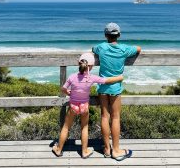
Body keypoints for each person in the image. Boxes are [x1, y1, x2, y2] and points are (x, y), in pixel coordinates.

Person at [52, 53, 124, 159]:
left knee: (66, 127)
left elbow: (63, 89)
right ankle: (84, 151)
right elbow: (106, 81)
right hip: (84, 107)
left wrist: (69, 93)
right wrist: (119, 78)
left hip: (73, 106)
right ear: (91, 66)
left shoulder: (72, 77)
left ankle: (58, 149)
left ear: (79, 63)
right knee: (84, 127)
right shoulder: (91, 78)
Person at [92, 22, 141, 161]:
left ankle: (107, 149)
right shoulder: (124, 49)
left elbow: (93, 48)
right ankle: (116, 150)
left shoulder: (101, 47)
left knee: (104, 117)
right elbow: (138, 48)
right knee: (115, 117)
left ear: (105, 35)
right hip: (115, 89)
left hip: (102, 87)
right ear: (119, 35)